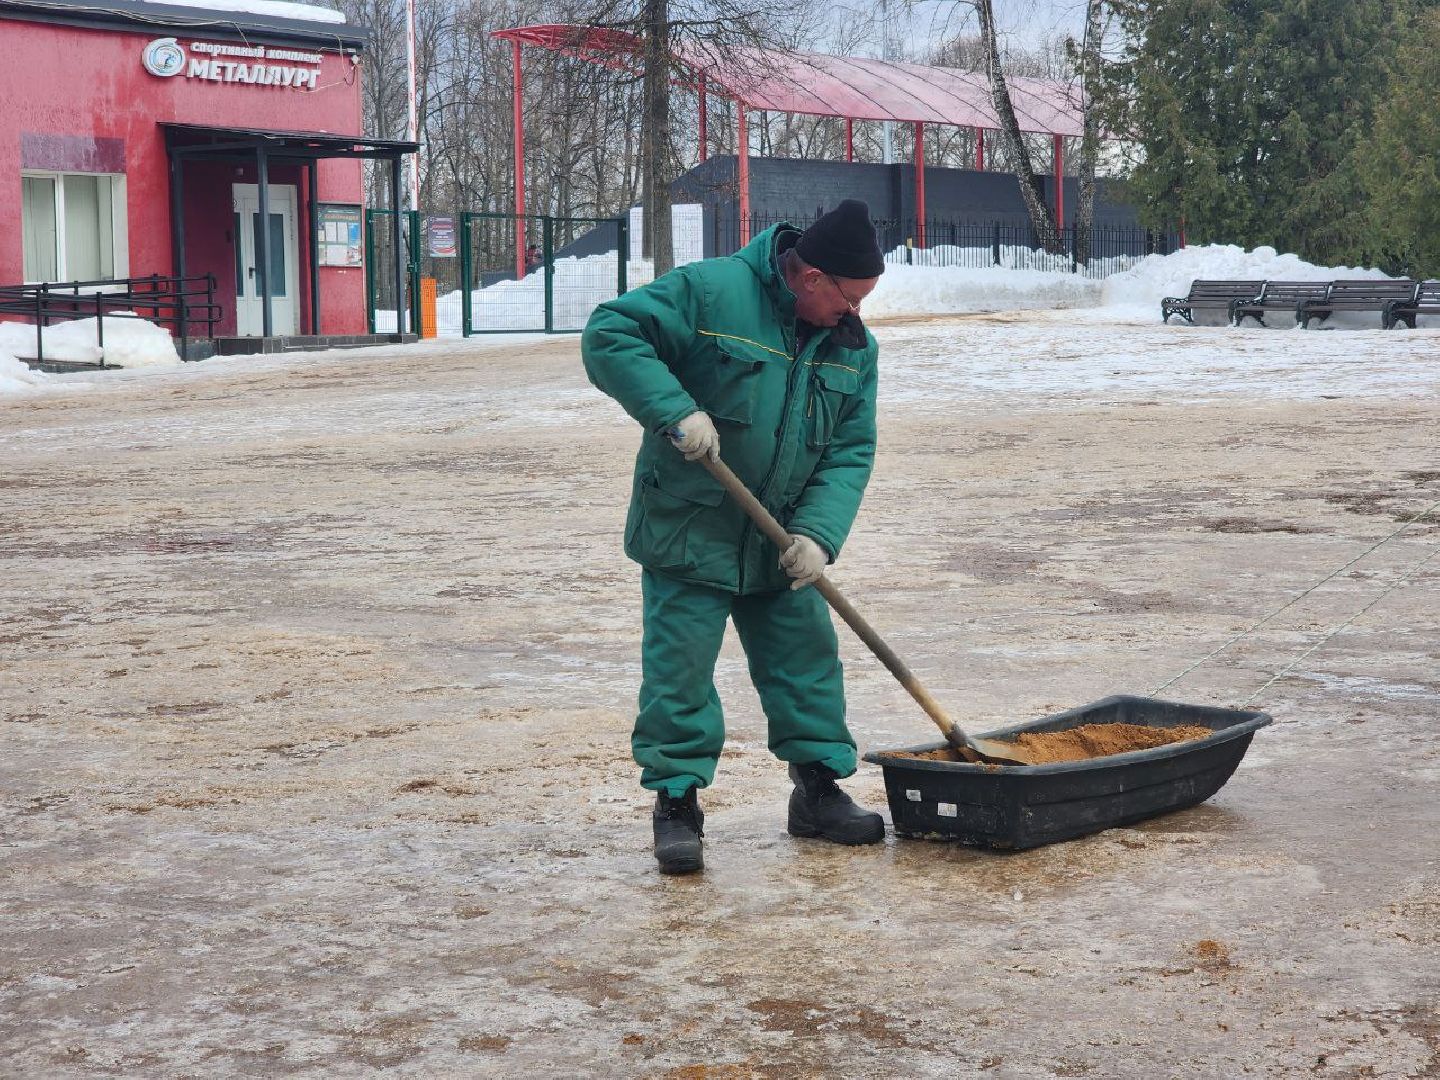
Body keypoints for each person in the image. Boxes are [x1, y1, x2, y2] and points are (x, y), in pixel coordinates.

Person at [581, 200, 888, 875]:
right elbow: (610, 333)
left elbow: (849, 451)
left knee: (806, 659)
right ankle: (676, 805)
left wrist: (817, 534)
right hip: (690, 525)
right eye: (850, 298)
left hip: (779, 533)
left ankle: (816, 791)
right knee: (679, 672)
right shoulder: (711, 292)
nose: (856, 315)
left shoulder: (850, 350)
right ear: (811, 278)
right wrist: (675, 411)